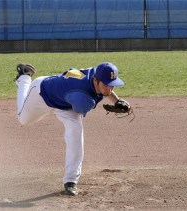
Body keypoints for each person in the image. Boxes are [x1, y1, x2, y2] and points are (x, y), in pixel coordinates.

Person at [14, 62, 130, 196]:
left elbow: (103, 90)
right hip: (42, 93)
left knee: (76, 130)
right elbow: (81, 107)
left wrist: (116, 100)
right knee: (23, 119)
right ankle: (24, 78)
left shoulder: (96, 74)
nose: (110, 90)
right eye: (106, 85)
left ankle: (70, 181)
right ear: (96, 80)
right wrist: (102, 99)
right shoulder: (81, 97)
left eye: (112, 85)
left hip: (66, 101)